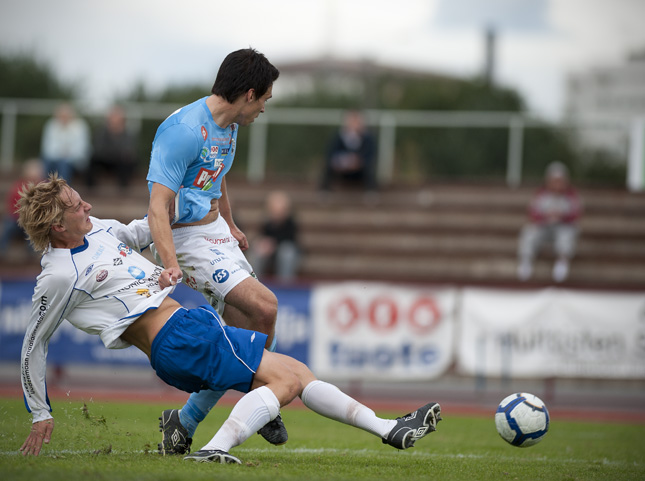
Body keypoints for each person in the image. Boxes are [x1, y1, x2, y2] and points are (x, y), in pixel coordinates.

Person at [16, 175, 442, 462]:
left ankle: (390, 429)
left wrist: (191, 199)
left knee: (296, 372)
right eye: (76, 205)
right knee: (286, 380)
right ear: (56, 225)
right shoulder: (57, 275)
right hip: (178, 340)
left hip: (188, 328)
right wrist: (39, 412)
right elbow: (34, 344)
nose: (86, 205)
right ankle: (213, 449)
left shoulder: (99, 231)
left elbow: (146, 228)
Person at [145, 48, 285, 452]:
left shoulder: (229, 124)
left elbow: (216, 174)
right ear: (249, 94)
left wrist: (231, 222)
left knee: (245, 332)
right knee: (266, 308)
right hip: (187, 240)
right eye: (264, 101)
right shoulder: (184, 130)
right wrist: (169, 265)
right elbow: (157, 207)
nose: (263, 109)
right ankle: (265, 401)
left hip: (217, 233)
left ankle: (183, 422)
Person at [517, 162, 583, 283]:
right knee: (529, 231)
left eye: (560, 181)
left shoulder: (571, 195)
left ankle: (562, 262)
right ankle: (526, 261)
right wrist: (546, 217)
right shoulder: (541, 194)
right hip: (544, 226)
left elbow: (575, 215)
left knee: (567, 234)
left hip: (563, 226)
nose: (557, 184)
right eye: (554, 181)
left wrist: (561, 216)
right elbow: (532, 213)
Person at [248, 190, 300, 282]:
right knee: (257, 251)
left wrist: (273, 244)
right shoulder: (267, 222)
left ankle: (285, 284)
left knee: (287, 252)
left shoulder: (291, 223)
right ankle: (255, 282)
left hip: (284, 252)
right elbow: (261, 236)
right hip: (269, 252)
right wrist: (262, 244)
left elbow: (292, 240)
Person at [320, 109, 377, 194]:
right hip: (342, 170)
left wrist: (358, 161)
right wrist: (342, 161)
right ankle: (324, 191)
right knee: (328, 166)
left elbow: (371, 155)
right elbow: (330, 153)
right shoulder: (338, 136)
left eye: (356, 121)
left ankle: (371, 191)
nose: (354, 123)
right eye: (351, 120)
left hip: (360, 171)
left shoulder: (368, 138)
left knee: (369, 169)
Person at [0, 158, 44, 259]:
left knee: (34, 227)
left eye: (37, 171)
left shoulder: (44, 187)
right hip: (17, 219)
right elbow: (11, 207)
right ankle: (2, 249)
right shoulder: (17, 187)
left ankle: (32, 252)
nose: (35, 173)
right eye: (32, 171)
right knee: (8, 225)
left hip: (36, 221)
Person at [86, 105, 137, 189]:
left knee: (128, 162)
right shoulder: (101, 132)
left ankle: (124, 189)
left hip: (120, 161)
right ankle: (90, 189)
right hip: (104, 160)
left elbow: (129, 150)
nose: (114, 121)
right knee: (92, 160)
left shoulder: (128, 134)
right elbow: (98, 149)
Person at [40, 103, 91, 184]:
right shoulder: (51, 125)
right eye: (61, 115)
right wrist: (60, 154)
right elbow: (47, 148)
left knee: (63, 164)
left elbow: (81, 148)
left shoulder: (80, 126)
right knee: (47, 162)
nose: (64, 118)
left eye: (66, 115)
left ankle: (64, 190)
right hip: (54, 158)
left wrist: (66, 154)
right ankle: (46, 189)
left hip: (75, 159)